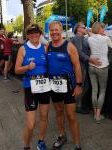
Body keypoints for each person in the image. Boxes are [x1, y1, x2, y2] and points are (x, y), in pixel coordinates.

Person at [47, 21, 82, 150]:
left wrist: (78, 85)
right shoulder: (48, 46)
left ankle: (77, 143)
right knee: (59, 111)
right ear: (49, 32)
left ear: (61, 31)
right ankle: (62, 135)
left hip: (68, 84)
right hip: (53, 84)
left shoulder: (69, 46)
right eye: (52, 30)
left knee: (71, 115)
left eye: (56, 30)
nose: (54, 32)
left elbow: (77, 66)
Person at [15, 24, 51, 150]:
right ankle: (26, 145)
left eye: (36, 32)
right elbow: (17, 70)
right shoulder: (23, 49)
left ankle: (41, 141)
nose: (34, 35)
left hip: (44, 86)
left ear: (40, 34)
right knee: (30, 124)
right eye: (31, 32)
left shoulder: (45, 48)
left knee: (44, 116)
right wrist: (27, 67)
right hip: (30, 87)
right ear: (27, 35)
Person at [72, 22, 101, 114]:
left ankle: (79, 103)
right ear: (78, 29)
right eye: (83, 27)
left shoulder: (82, 38)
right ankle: (77, 106)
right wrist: (91, 60)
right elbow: (79, 53)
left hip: (84, 65)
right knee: (81, 85)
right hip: (80, 66)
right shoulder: (77, 38)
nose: (86, 28)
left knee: (86, 86)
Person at [88, 22, 112, 123]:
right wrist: (106, 36)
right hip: (102, 66)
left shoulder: (89, 39)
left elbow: (90, 37)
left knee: (94, 90)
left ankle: (95, 113)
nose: (103, 30)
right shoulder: (105, 38)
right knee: (102, 91)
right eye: (102, 28)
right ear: (99, 29)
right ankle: (98, 115)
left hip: (92, 66)